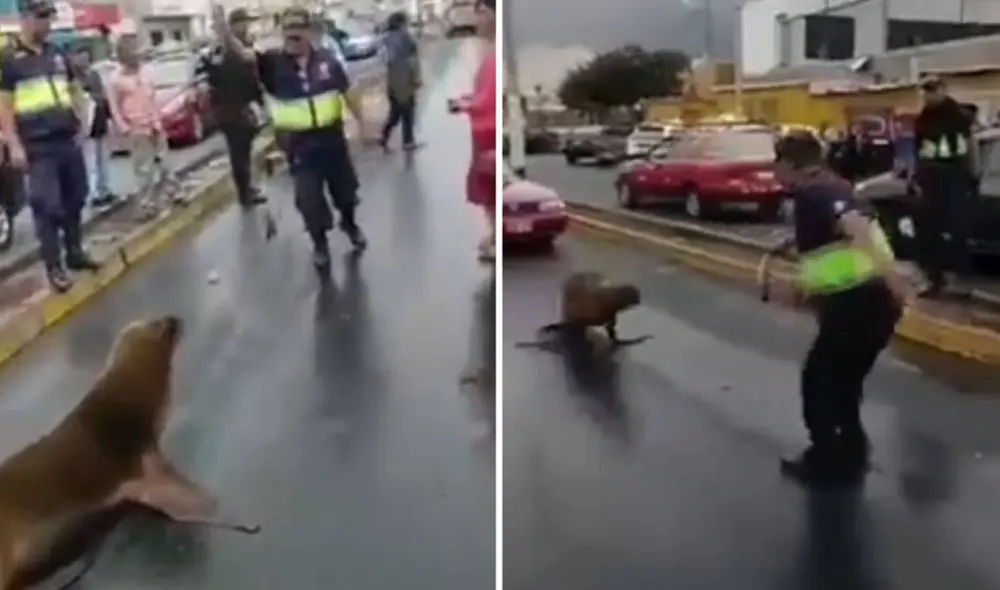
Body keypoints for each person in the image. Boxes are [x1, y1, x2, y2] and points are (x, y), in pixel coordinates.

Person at [763, 131, 910, 486]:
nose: (773, 170)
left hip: (861, 301)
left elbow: (856, 229)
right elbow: (838, 232)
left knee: (819, 379)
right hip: (867, 303)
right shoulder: (831, 186)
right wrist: (794, 242)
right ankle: (852, 447)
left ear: (789, 163)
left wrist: (896, 283)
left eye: (776, 162)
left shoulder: (817, 192)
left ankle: (825, 458)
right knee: (845, 379)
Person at [215, 5, 369, 271]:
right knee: (309, 201)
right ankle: (320, 244)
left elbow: (348, 91)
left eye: (298, 28)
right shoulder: (272, 63)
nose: (293, 34)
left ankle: (349, 222)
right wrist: (223, 31)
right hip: (300, 147)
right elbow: (242, 54)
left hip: (333, 142)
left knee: (346, 195)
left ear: (309, 31)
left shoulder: (328, 61)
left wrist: (363, 124)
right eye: (288, 29)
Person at [0, 0, 99, 292]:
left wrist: (83, 119)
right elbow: (4, 106)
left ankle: (75, 253)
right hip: (37, 144)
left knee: (77, 196)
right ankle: (55, 267)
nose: (48, 24)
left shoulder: (56, 52)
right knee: (47, 206)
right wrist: (13, 142)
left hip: (66, 139)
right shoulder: (9, 58)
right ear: (25, 18)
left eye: (49, 17)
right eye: (42, 17)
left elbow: (73, 88)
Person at [911, 76, 979, 298]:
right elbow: (918, 149)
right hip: (930, 178)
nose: (928, 95)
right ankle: (934, 279)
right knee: (928, 232)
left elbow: (971, 145)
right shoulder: (922, 119)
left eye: (932, 90)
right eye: (925, 91)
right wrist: (915, 177)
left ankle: (958, 279)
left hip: (954, 176)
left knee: (956, 230)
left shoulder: (960, 116)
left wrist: (973, 175)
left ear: (942, 90)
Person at [107, 34, 183, 222]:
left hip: (154, 123)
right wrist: (123, 126)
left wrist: (158, 117)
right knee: (144, 169)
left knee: (166, 163)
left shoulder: (147, 72)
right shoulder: (116, 79)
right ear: (123, 55)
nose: (137, 53)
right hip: (137, 128)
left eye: (137, 49)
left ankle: (173, 192)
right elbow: (114, 106)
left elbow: (152, 95)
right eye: (132, 50)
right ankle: (145, 205)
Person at [195, 8, 267, 208]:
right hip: (229, 109)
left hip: (246, 107)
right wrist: (204, 86)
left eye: (247, 22)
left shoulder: (246, 44)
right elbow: (203, 69)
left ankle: (247, 188)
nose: (246, 26)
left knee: (245, 151)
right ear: (233, 25)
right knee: (238, 154)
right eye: (242, 23)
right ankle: (245, 195)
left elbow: (254, 73)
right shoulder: (220, 48)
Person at [459, 0, 495, 262]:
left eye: (479, 14)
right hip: (483, 131)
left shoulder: (493, 58)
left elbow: (486, 101)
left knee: (488, 186)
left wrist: (464, 104)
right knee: (487, 185)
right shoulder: (489, 53)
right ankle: (493, 235)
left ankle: (496, 237)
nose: (477, 21)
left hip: (487, 132)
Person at [69, 44, 117, 208]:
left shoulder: (94, 74)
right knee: (90, 161)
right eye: (80, 56)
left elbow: (103, 96)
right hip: (86, 124)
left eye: (86, 56)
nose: (84, 59)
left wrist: (110, 117)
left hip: (100, 120)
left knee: (103, 158)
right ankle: (94, 194)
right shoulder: (74, 78)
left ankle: (105, 189)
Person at [379, 10, 422, 152]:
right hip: (404, 80)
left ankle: (385, 137)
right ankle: (408, 141)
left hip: (393, 81)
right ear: (401, 24)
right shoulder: (405, 38)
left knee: (396, 113)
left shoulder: (386, 39)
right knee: (407, 112)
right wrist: (416, 79)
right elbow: (413, 61)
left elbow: (385, 60)